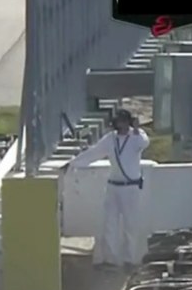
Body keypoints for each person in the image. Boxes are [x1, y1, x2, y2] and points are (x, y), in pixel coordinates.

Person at [62, 109, 150, 270]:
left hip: (131, 187)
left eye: (123, 121)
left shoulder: (136, 137)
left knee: (130, 224)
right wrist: (74, 163)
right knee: (110, 223)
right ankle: (111, 259)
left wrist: (136, 128)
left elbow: (143, 143)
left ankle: (129, 259)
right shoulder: (110, 139)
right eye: (118, 122)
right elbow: (94, 152)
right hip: (113, 185)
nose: (120, 125)